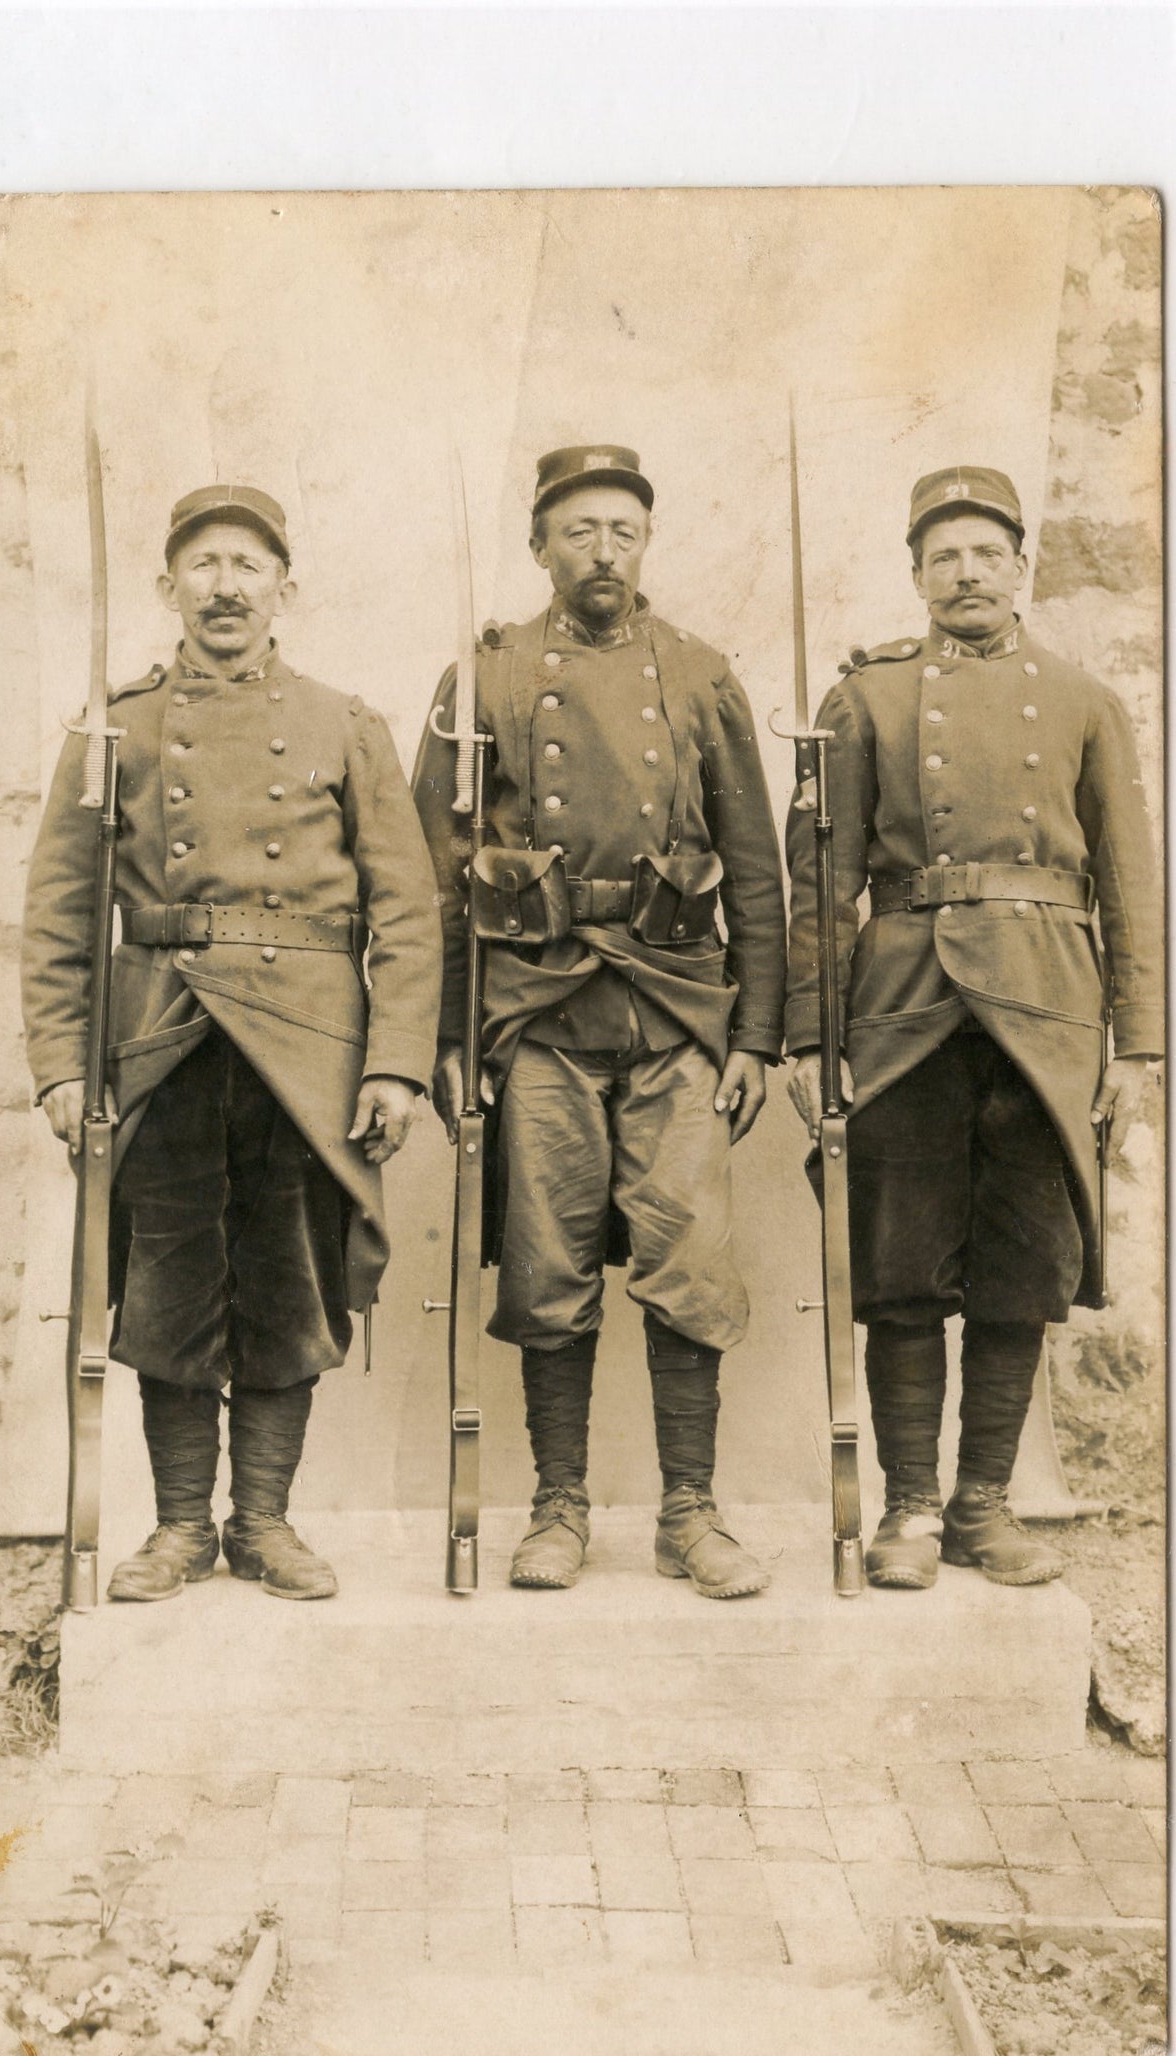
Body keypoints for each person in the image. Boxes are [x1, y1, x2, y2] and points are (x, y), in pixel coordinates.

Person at [22, 484, 441, 1602]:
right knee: (164, 1283)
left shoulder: (344, 724)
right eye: (201, 564)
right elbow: (62, 913)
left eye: (246, 564)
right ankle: (175, 1528)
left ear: (283, 588)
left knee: (286, 1280)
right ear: (169, 586)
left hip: (306, 1049)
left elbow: (406, 909)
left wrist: (396, 1060)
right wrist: (63, 1064)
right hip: (161, 1035)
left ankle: (261, 1521)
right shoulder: (113, 727)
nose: (223, 585)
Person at [413, 445, 787, 1597]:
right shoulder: (482, 676)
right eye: (578, 531)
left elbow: (755, 868)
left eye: (622, 528)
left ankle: (689, 1510)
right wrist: (444, 1035)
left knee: (688, 1258)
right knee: (544, 1258)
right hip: (536, 1008)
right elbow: (430, 869)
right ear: (538, 548)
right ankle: (557, 1506)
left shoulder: (700, 674)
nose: (602, 551)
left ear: (647, 541)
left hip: (676, 1007)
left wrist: (756, 1033)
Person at [785, 466, 1162, 1591]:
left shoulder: (1086, 701)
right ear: (913, 574)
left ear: (1018, 568)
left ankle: (980, 1505)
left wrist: (1137, 1045)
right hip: (904, 1006)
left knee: (1020, 1265)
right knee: (900, 1264)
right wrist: (812, 1033)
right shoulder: (865, 701)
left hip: (1048, 1013)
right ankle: (904, 1507)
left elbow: (1131, 883)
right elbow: (819, 884)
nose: (964, 571)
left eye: (984, 551)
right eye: (940, 554)